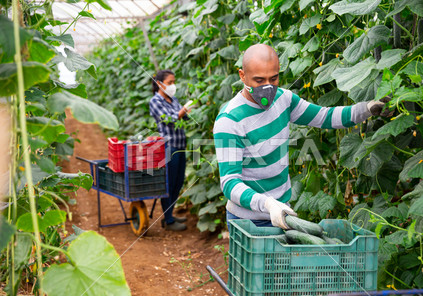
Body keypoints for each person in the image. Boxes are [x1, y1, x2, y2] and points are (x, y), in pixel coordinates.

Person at [213, 44, 390, 230]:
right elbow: (230, 183)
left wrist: (367, 108)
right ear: (242, 76)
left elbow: (325, 117)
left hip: (282, 212)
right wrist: (267, 204)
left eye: (273, 79)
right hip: (247, 221)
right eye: (259, 80)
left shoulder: (284, 100)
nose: (267, 87)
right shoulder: (229, 120)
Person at [149, 70, 192, 231]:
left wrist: (188, 110)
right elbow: (169, 119)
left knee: (178, 182)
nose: (173, 85)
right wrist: (182, 111)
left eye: (174, 82)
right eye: (169, 82)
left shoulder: (173, 99)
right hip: (168, 146)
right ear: (160, 84)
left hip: (180, 145)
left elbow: (184, 117)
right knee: (169, 182)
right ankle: (168, 219)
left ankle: (170, 214)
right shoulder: (155, 101)